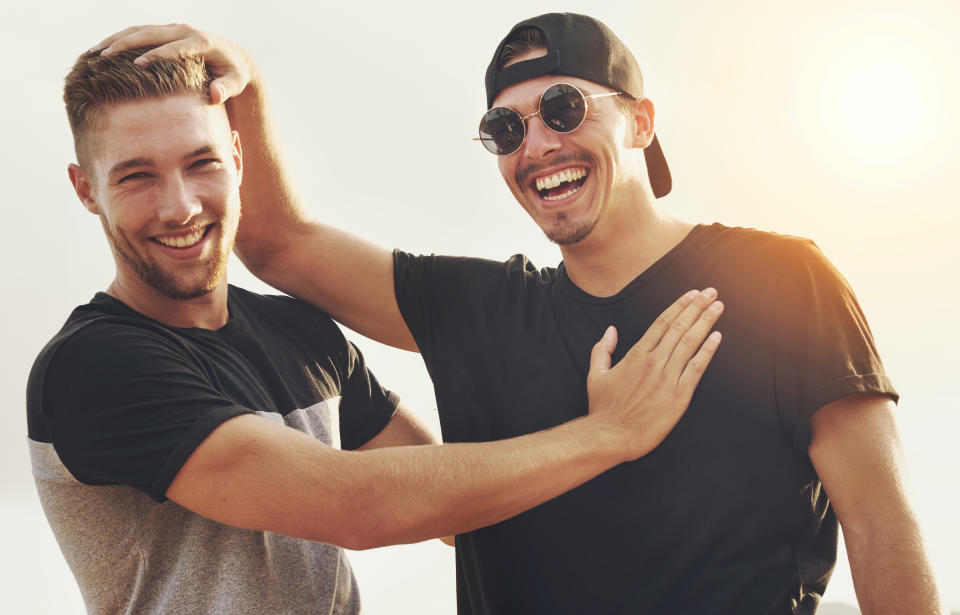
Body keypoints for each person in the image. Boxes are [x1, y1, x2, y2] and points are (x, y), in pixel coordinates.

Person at [94, 12, 943, 614]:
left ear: (640, 121)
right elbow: (279, 246)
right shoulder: (480, 309)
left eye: (564, 110)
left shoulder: (781, 278)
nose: (536, 146)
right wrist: (243, 75)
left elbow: (880, 522)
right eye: (506, 128)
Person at [26, 44, 726, 615]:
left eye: (201, 162)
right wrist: (608, 433)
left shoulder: (300, 331)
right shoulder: (93, 366)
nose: (179, 206)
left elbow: (455, 507)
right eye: (136, 177)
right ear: (85, 188)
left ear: (237, 158)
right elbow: (355, 502)